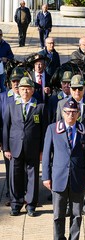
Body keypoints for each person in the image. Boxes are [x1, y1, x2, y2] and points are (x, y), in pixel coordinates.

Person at [42, 98, 85, 240]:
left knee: (76, 215)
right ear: (62, 113)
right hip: (58, 178)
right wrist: (46, 176)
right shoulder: (52, 129)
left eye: (74, 112)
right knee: (58, 215)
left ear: (78, 113)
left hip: (78, 178)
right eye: (68, 112)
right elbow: (46, 154)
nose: (71, 115)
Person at [56, 74, 85, 217]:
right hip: (68, 148)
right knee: (69, 175)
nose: (77, 92)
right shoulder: (62, 104)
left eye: (80, 88)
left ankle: (84, 204)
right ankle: (69, 205)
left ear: (84, 88)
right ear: (69, 89)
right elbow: (57, 127)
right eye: (74, 89)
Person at [2, 77, 47, 216]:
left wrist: (42, 150)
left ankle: (31, 205)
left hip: (32, 147)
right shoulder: (11, 106)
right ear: (18, 90)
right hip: (15, 146)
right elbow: (6, 128)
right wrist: (6, 148)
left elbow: (44, 130)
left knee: (32, 177)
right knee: (15, 176)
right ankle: (16, 204)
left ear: (32, 90)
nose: (25, 91)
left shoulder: (40, 107)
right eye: (22, 89)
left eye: (28, 88)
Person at [0, 68, 24, 206]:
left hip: (23, 139)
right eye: (14, 81)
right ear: (9, 83)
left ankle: (24, 193)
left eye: (18, 81)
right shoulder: (3, 97)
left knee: (23, 168)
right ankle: (11, 194)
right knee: (10, 169)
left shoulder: (27, 96)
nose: (16, 84)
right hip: (8, 139)